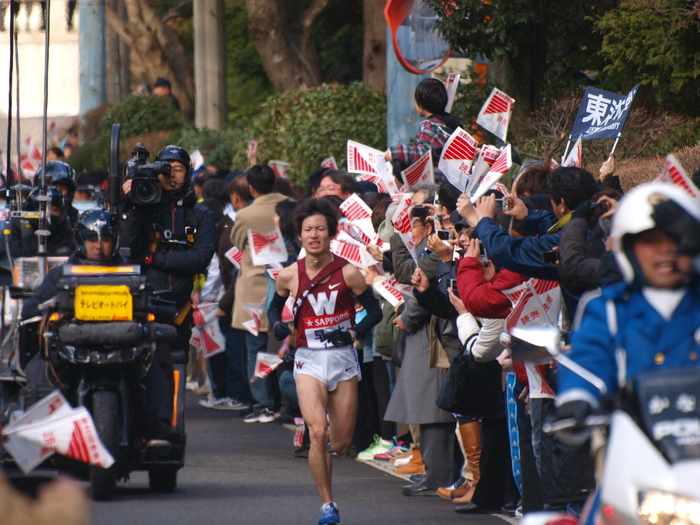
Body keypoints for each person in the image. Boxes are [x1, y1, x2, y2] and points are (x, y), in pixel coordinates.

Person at [269, 198, 382, 525]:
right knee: (318, 432)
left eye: (320, 229)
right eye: (308, 230)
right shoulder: (289, 275)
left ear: (331, 234)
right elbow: (274, 310)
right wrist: (278, 324)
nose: (314, 235)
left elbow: (374, 311)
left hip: (343, 361)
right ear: (299, 236)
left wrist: (354, 332)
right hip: (307, 360)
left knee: (341, 444)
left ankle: (324, 436)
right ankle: (328, 505)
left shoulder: (349, 272)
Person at [555, 182, 700, 429]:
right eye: (651, 242)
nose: (664, 251)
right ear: (628, 249)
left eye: (675, 240)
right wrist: (576, 398)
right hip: (635, 448)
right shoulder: (608, 309)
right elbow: (588, 358)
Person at [120, 145, 217, 440]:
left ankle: (163, 425)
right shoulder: (141, 206)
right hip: (141, 302)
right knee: (141, 360)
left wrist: (156, 260)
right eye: (166, 168)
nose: (171, 174)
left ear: (188, 173)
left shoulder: (201, 214)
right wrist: (129, 203)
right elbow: (128, 250)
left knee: (170, 362)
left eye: (178, 168)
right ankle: (137, 421)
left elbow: (201, 259)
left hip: (180, 307)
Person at [230, 164, 288, 423]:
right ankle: (283, 402)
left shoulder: (246, 214)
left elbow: (237, 243)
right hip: (285, 283)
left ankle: (262, 403)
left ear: (250, 187)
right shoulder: (290, 204)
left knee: (255, 347)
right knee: (284, 345)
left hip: (254, 285)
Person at [384, 78, 463, 183]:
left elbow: (425, 154)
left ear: (420, 105)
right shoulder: (452, 124)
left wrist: (397, 152)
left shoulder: (430, 127)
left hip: (437, 183)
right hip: (455, 180)